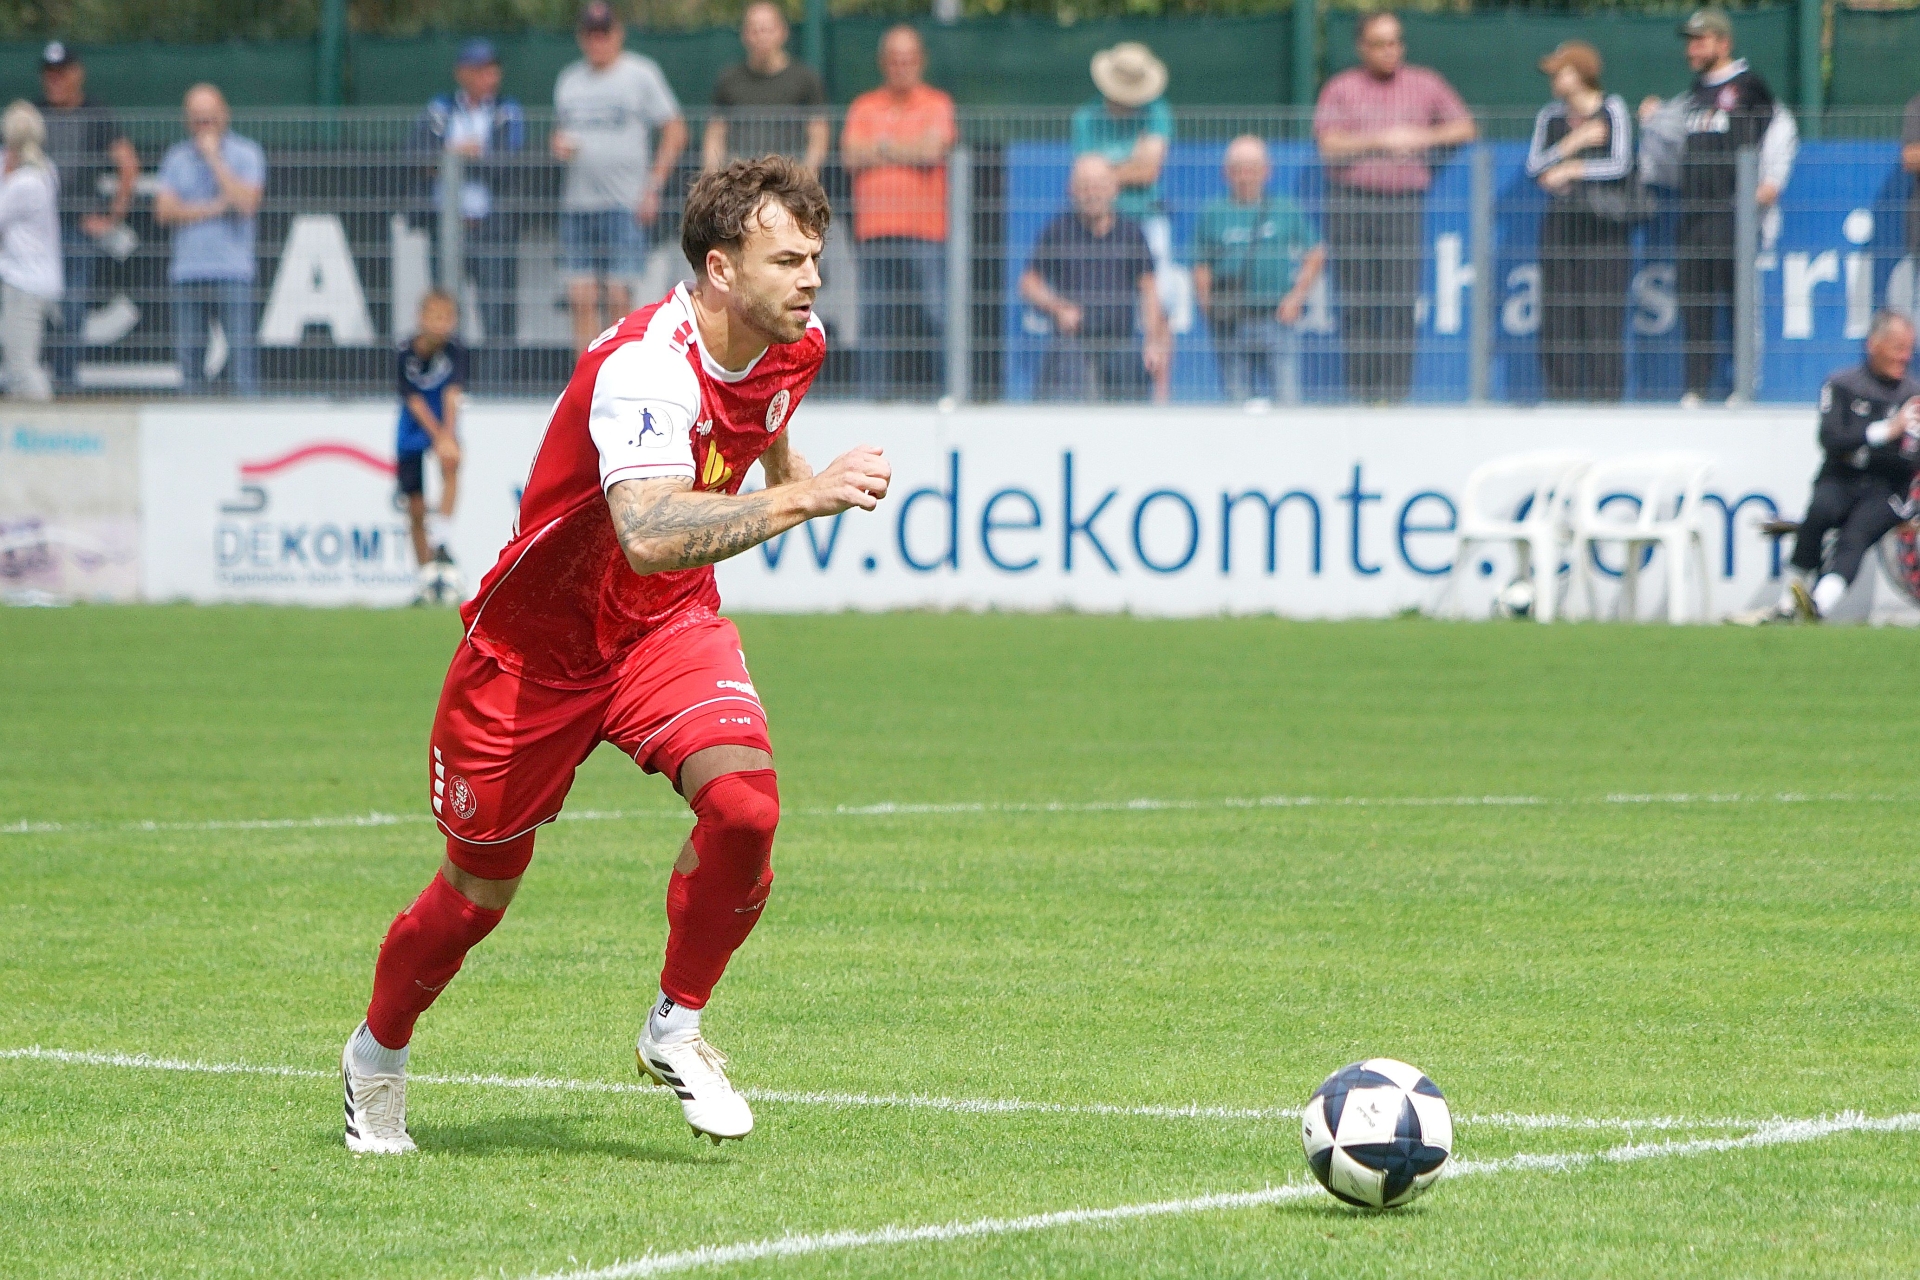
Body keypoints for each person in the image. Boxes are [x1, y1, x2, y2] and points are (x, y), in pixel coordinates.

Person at [339, 156, 893, 1156]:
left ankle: (675, 1026)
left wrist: (793, 471)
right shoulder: (645, 367)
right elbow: (644, 531)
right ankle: (376, 1055)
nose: (812, 279)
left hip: (664, 627)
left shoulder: (795, 342)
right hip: (531, 654)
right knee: (475, 896)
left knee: (745, 809)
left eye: (816, 257)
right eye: (787, 260)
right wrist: (803, 497)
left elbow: (770, 424)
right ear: (720, 268)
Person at [1313, 11, 1475, 403]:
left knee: (1400, 301)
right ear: (1362, 47)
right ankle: (1362, 396)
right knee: (1356, 302)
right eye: (1380, 44)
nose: (1390, 51)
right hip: (1351, 203)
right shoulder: (1341, 88)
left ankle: (1394, 397)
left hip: (1403, 205)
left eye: (1395, 42)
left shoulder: (1425, 83)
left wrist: (1421, 137)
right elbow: (1329, 144)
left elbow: (1464, 127)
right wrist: (1381, 140)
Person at [1639, 9, 1779, 406]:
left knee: (1739, 303)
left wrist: (1764, 187)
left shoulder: (1749, 85)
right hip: (1692, 214)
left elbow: (1774, 134)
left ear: (1724, 43)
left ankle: (1743, 386)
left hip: (1732, 212)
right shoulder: (1694, 94)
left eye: (1700, 40)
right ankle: (1696, 389)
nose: (1692, 49)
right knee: (1695, 304)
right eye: (1689, 41)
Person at [1747, 313, 1920, 624]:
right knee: (1819, 514)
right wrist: (1885, 432)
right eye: (1898, 348)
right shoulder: (1842, 384)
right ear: (1874, 345)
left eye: (1909, 348)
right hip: (1841, 478)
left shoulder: (1912, 397)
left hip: (1887, 489)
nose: (1904, 357)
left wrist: (1864, 446)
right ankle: (1788, 604)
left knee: (1855, 537)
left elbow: (1910, 459)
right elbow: (1831, 440)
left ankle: (1818, 607)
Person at [554, 2, 687, 354]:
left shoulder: (641, 73)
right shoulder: (569, 79)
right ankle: (585, 376)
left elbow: (675, 130)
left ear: (618, 34)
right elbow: (561, 132)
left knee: (618, 295)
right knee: (580, 297)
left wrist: (653, 186)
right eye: (591, 34)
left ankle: (618, 372)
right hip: (578, 203)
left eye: (604, 33)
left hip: (626, 203)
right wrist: (559, 146)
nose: (598, 41)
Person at [840, 24, 955, 399]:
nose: (901, 66)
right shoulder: (863, 106)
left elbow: (932, 151)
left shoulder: (937, 103)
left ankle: (945, 395)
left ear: (920, 61)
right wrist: (908, 149)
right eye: (894, 59)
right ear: (882, 63)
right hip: (875, 229)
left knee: (935, 314)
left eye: (908, 59)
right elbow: (851, 156)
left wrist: (883, 148)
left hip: (926, 230)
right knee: (875, 317)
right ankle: (871, 399)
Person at [1526, 41, 1635, 402]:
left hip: (1604, 228)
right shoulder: (1550, 116)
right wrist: (1573, 143)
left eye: (1560, 72)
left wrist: (1573, 170)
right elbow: (1535, 167)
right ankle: (1561, 397)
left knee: (1602, 316)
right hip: (1561, 226)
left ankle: (1606, 401)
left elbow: (1620, 164)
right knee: (1558, 314)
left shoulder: (1612, 108)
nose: (1553, 79)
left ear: (1579, 74)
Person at [1019, 153, 1170, 403]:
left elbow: (1149, 290)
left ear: (1114, 189)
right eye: (1085, 187)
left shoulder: (1131, 233)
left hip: (1120, 342)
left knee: (1128, 408)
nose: (1092, 194)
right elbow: (1029, 283)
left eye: (1098, 186)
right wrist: (1058, 307)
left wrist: (1152, 340)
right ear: (1071, 190)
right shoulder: (1059, 231)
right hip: (1073, 343)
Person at [1193, 135, 1324, 408]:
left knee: (1287, 401)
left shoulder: (1285, 209)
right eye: (1238, 169)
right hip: (1232, 321)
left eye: (1252, 169)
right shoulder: (1214, 213)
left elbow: (1315, 253)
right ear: (1226, 173)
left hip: (1277, 319)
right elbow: (1201, 265)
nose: (1245, 177)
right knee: (1237, 401)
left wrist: (1297, 297)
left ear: (1266, 171)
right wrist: (1209, 306)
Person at [36, 41, 136, 392]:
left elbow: (128, 164)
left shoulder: (96, 111)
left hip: (77, 227)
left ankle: (65, 379)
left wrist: (113, 217)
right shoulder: (33, 113)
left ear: (77, 74)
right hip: (35, 231)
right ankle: (28, 377)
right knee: (27, 304)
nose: (55, 80)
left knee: (74, 304)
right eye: (49, 74)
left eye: (61, 73)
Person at [414, 39, 526, 349]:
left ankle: (498, 379)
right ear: (462, 73)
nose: (488, 77)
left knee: (496, 316)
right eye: (479, 70)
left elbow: (504, 164)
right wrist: (462, 154)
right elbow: (418, 156)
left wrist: (452, 159)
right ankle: (447, 376)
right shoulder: (441, 107)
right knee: (442, 316)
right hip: (446, 226)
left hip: (489, 227)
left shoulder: (506, 110)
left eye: (492, 69)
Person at [154, 84, 263, 396]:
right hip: (188, 271)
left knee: (241, 359)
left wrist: (215, 159)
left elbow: (246, 204)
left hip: (233, 271)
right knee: (189, 362)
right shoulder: (176, 157)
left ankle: (248, 417)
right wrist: (215, 207)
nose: (204, 124)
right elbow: (164, 211)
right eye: (197, 118)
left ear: (224, 115)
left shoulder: (246, 153)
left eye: (209, 117)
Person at [396, 290, 468, 604]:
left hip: (443, 424)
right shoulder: (404, 353)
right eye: (435, 317)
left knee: (451, 464)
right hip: (413, 429)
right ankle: (424, 575)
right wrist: (438, 435)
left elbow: (452, 394)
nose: (442, 324)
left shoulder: (456, 352)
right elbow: (413, 400)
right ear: (421, 318)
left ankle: (441, 541)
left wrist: (448, 435)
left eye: (447, 318)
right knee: (415, 507)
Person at [704, 2, 828, 175]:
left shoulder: (805, 78)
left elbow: (818, 132)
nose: (761, 36)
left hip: (786, 179)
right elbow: (716, 132)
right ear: (744, 35)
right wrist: (714, 174)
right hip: (740, 178)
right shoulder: (728, 79)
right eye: (754, 30)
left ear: (783, 32)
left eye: (767, 29)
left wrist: (806, 175)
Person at [0, 101, 61, 401]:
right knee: (15, 364)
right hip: (30, 280)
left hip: (26, 283)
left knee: (22, 367)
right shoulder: (46, 168)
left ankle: (48, 420)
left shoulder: (27, 180)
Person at [1071, 42, 1172, 224]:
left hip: (1147, 216)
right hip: (1098, 222)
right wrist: (1132, 165)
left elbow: (1149, 171)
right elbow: (1084, 176)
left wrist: (1102, 175)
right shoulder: (1086, 117)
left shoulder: (1157, 111)